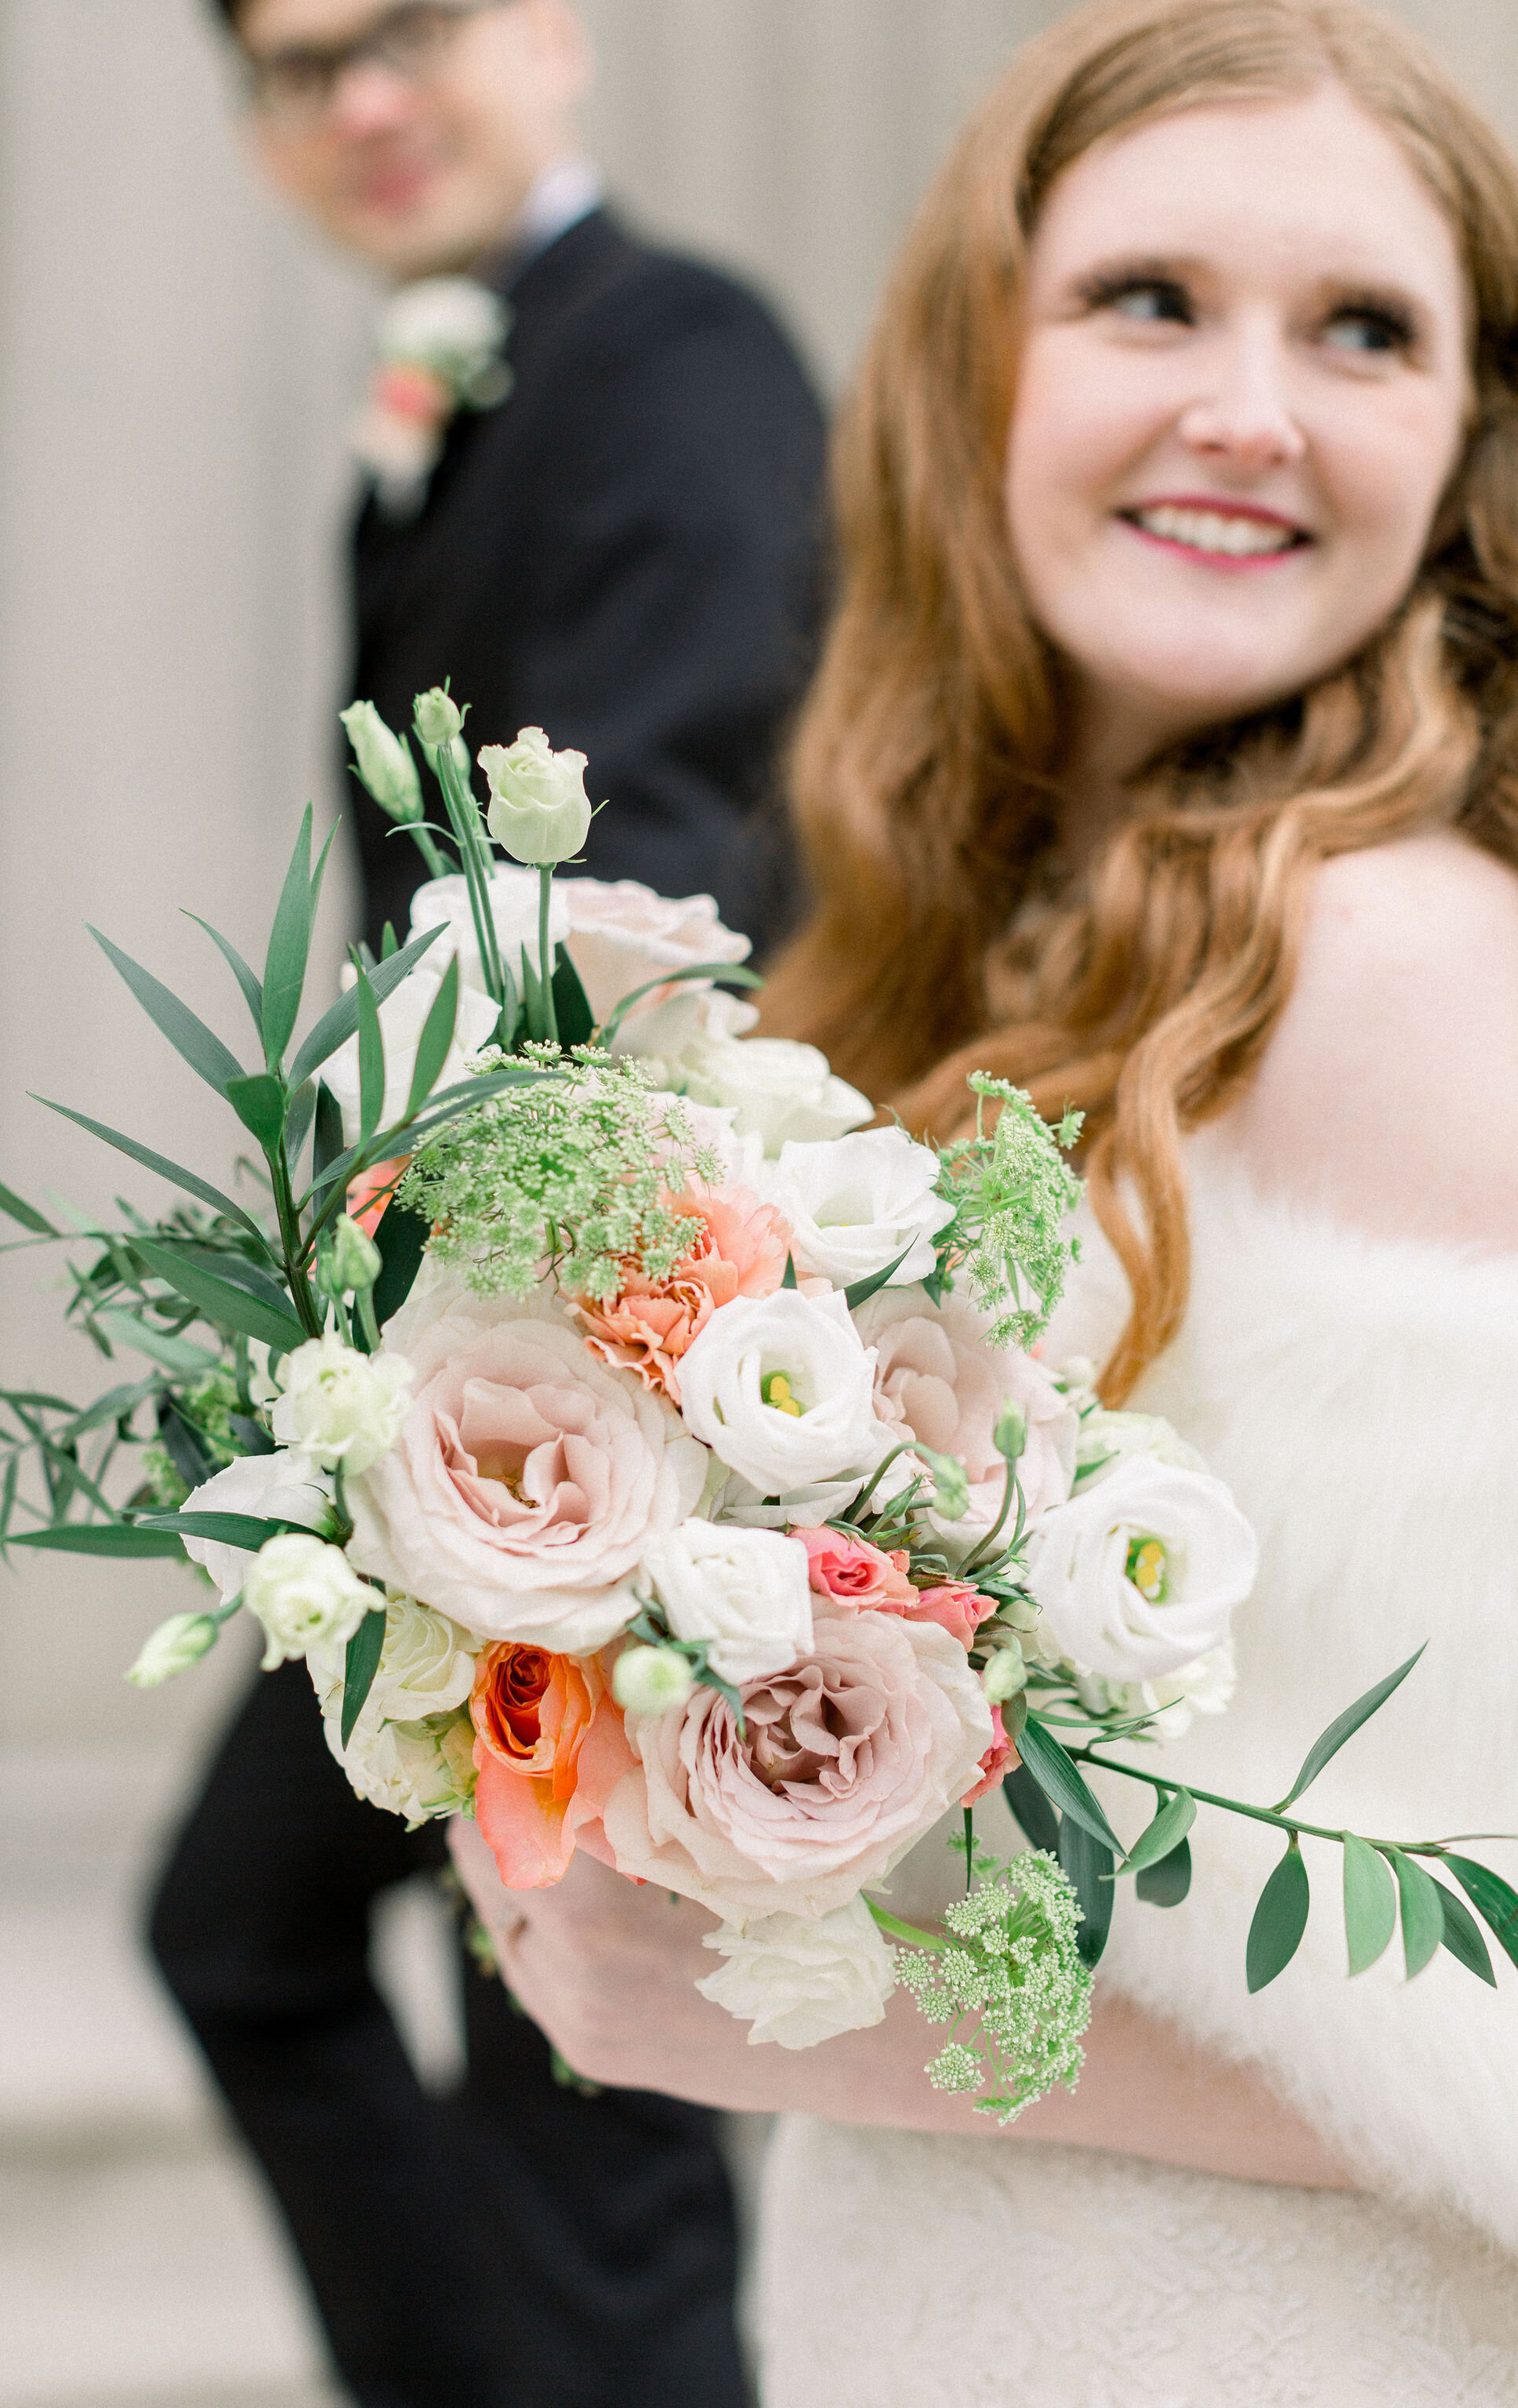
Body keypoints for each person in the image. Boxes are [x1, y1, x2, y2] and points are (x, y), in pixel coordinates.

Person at [448, 1, 1518, 2400]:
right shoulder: (968, 944)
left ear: (1466, 446)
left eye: (1365, 330)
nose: (1252, 407)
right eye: (1153, 299)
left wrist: (831, 2015)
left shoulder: (1408, 974)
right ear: (981, 365)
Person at [150, 5, 825, 2406]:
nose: (356, 102)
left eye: (405, 27)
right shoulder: (462, 390)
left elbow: (635, 860)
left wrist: (408, 1266)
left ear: (556, 29)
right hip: (471, 1334)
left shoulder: (678, 356)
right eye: (290, 68)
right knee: (321, 1953)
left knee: (586, 2059)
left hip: (620, 1338)